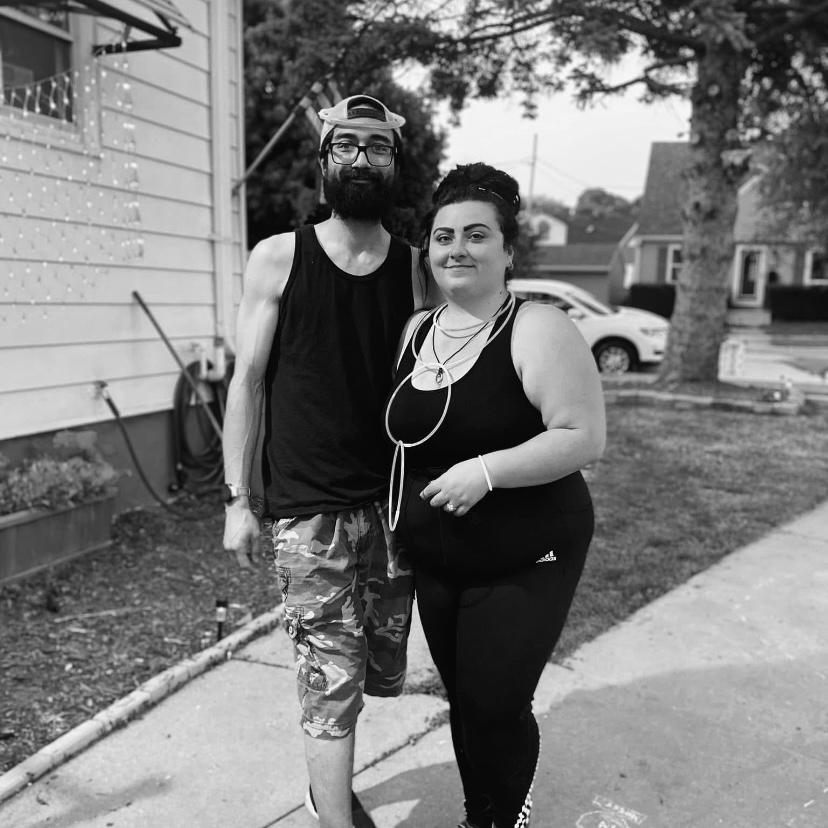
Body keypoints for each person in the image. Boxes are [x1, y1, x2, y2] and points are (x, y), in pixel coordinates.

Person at [222, 94, 431, 828]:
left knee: (377, 667)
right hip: (307, 510)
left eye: (377, 147)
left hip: (393, 506)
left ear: (394, 163)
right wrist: (238, 500)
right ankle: (334, 817)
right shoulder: (279, 257)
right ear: (324, 160)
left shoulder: (416, 269)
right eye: (347, 145)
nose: (361, 159)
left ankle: (327, 789)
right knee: (329, 677)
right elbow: (247, 383)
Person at [384, 163, 606, 828]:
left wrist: (486, 471)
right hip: (437, 561)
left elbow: (582, 436)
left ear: (509, 251)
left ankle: (501, 817)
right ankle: (480, 812)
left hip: (526, 552)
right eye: (444, 235)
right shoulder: (416, 331)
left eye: (477, 235)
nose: (457, 248)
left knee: (494, 705)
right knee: (464, 701)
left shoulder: (537, 327)